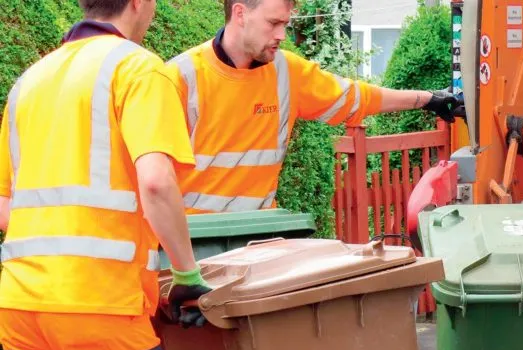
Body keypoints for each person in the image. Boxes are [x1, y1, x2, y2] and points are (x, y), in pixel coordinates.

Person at [0, 0, 212, 350]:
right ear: (140, 4)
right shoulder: (139, 68)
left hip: (24, 306)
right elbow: (158, 181)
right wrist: (187, 275)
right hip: (103, 309)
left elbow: (6, 204)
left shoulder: (30, 81)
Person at [164, 0, 464, 214]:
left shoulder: (286, 73)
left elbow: (357, 98)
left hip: (255, 240)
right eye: (273, 23)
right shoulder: (181, 77)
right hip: (192, 244)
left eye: (285, 24)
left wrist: (428, 98)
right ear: (240, 13)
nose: (281, 35)